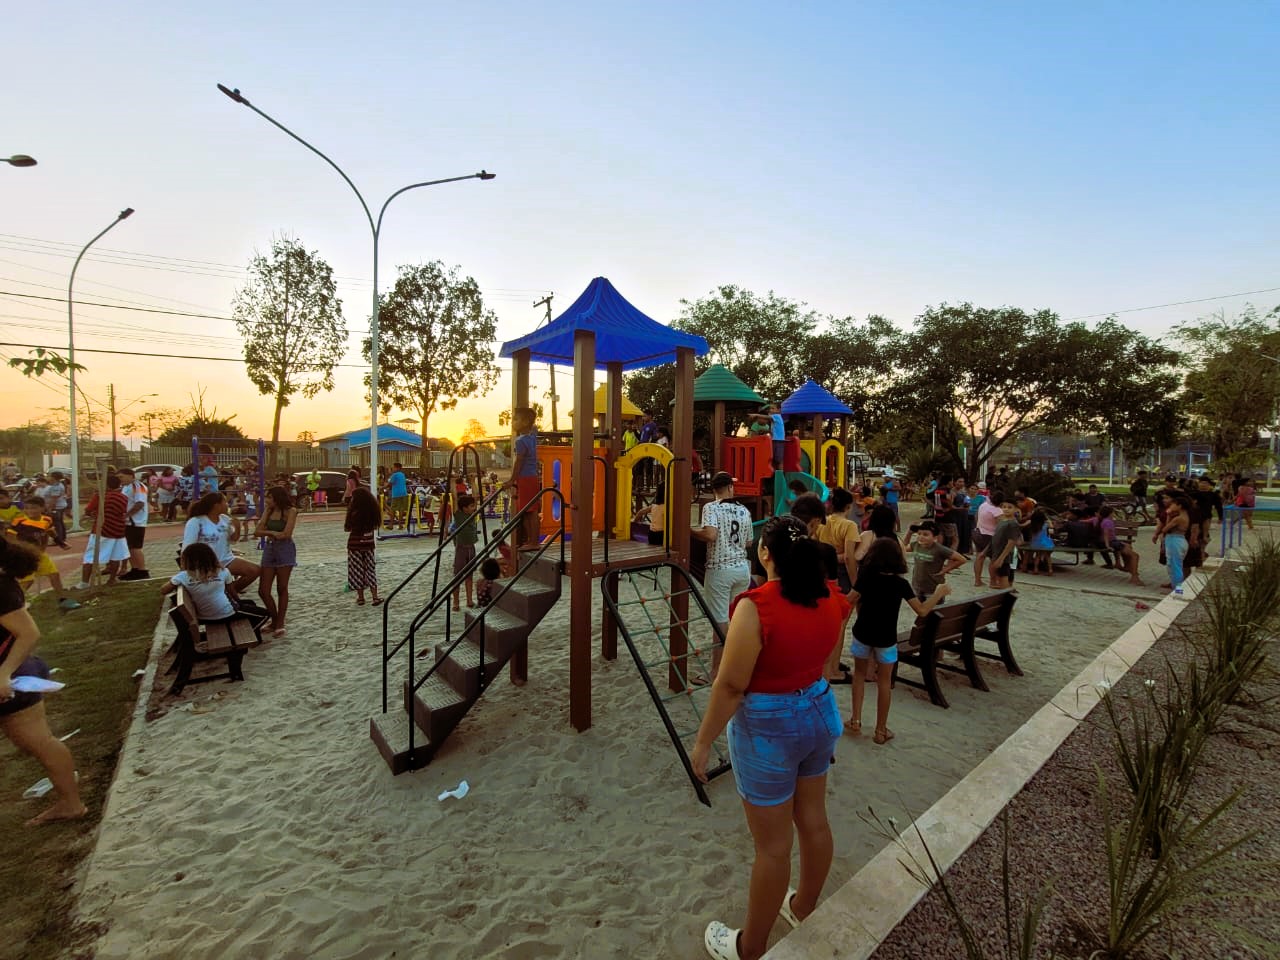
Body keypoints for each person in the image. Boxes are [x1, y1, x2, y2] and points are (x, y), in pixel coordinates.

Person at [690, 515, 848, 960]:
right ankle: (803, 905)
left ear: (764, 553)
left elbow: (730, 685)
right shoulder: (829, 595)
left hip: (770, 725)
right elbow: (830, 651)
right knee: (814, 820)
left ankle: (750, 946)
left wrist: (702, 743)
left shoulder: (757, 606)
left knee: (773, 848)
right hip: (818, 708)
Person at [0, 538, 87, 826]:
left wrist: (4, 674)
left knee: (40, 742)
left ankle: (71, 803)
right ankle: (68, 793)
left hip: (12, 676)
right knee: (34, 742)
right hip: (16, 671)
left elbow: (29, 633)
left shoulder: (1, 587)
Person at [847, 538, 951, 744]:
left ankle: (855, 720)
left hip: (863, 633)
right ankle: (880, 730)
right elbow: (921, 610)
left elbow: (850, 599)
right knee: (884, 682)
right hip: (886, 638)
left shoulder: (866, 576)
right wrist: (939, 593)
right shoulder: (900, 584)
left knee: (859, 675)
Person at [692, 472, 754, 678]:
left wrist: (690, 531)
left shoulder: (711, 507)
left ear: (714, 490)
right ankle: (738, 663)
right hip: (741, 569)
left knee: (719, 620)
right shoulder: (744, 510)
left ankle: (717, 670)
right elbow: (748, 542)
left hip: (720, 568)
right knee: (735, 618)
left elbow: (710, 535)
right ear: (730, 488)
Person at [161, 543, 268, 639]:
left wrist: (176, 580)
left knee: (250, 603)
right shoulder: (222, 571)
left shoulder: (183, 576)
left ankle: (254, 635)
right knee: (265, 614)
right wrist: (238, 604)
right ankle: (248, 636)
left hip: (203, 616)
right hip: (225, 614)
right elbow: (233, 594)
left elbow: (163, 590)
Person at [7, 496, 80, 610]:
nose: (30, 511)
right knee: (27, 581)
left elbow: (50, 532)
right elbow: (10, 538)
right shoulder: (19, 522)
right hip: (25, 556)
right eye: (27, 508)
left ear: (42, 508)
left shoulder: (47, 520)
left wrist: (60, 543)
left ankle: (63, 600)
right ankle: (11, 604)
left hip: (40, 554)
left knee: (54, 575)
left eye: (33, 508)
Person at [182, 491, 260, 592]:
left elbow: (233, 540)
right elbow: (188, 547)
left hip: (226, 559)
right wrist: (187, 567)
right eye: (225, 502)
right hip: (206, 563)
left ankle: (230, 592)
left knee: (255, 570)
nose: (227, 505)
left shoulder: (225, 519)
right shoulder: (196, 521)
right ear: (216, 505)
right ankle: (224, 593)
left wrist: (237, 527)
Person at [253, 486, 297, 638]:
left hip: (285, 549)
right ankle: (274, 618)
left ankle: (280, 622)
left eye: (269, 497)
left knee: (281, 587)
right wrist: (271, 532)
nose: (266, 500)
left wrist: (269, 532)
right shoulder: (269, 510)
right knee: (263, 590)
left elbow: (286, 534)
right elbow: (257, 531)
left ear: (277, 498)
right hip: (270, 548)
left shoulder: (291, 511)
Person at [77, 475, 131, 588]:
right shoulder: (123, 497)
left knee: (90, 557)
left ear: (106, 485)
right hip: (118, 530)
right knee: (115, 556)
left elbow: (88, 510)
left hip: (102, 529)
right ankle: (112, 579)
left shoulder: (100, 496)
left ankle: (84, 583)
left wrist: (93, 513)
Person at [903, 520, 966, 600]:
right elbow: (902, 547)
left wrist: (945, 570)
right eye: (919, 534)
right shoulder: (915, 545)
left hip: (933, 588)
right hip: (917, 586)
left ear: (935, 537)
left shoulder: (939, 549)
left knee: (934, 608)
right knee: (919, 607)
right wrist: (909, 533)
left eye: (925, 534)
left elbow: (961, 559)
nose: (921, 537)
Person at [506, 407, 540, 548]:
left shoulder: (520, 441)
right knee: (531, 510)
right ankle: (532, 540)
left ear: (525, 422)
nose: (512, 422)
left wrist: (511, 480)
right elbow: (535, 428)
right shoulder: (532, 437)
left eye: (515, 419)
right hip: (532, 477)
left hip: (525, 478)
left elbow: (518, 462)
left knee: (528, 511)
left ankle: (533, 541)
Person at [344, 487, 382, 605]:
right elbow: (375, 526)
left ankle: (361, 598)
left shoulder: (354, 512)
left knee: (356, 571)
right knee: (370, 569)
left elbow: (347, 528)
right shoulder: (372, 512)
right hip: (368, 544)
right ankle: (375, 597)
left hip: (354, 545)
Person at [116, 467, 151, 581]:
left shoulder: (138, 486)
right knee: (129, 547)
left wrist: (127, 515)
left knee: (135, 547)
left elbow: (140, 503)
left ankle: (142, 570)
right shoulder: (126, 487)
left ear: (130, 476)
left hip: (136, 522)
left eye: (121, 477)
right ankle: (135, 569)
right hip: (128, 522)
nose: (120, 479)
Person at [1153, 494, 1191, 594]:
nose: (1171, 506)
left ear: (1180, 506)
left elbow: (1165, 529)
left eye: (1173, 504)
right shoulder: (1183, 516)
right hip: (1176, 540)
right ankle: (1176, 588)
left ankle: (1178, 590)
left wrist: (1168, 515)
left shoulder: (1178, 518)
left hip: (1175, 541)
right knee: (1172, 565)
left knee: (1175, 566)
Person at [1098, 505, 1143, 586]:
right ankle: (1134, 576)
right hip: (1111, 542)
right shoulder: (1107, 522)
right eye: (1113, 513)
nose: (1113, 514)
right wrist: (1107, 545)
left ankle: (1125, 566)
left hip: (1112, 541)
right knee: (1135, 556)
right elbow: (1106, 534)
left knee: (1128, 546)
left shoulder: (1105, 520)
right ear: (1110, 513)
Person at [450, 494, 481, 611]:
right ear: (464, 508)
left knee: (469, 575)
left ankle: (469, 600)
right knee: (457, 576)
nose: (474, 507)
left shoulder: (472, 515)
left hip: (471, 548)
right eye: (471, 506)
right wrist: (452, 484)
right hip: (461, 548)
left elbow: (476, 497)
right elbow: (454, 499)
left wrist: (473, 483)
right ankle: (456, 601)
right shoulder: (459, 516)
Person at [988, 499, 1023, 589]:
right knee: (1000, 579)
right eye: (1004, 507)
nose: (1006, 509)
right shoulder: (1002, 520)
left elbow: (1011, 542)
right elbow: (996, 538)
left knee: (1004, 580)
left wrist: (1001, 559)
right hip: (997, 553)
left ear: (1015, 509)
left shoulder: (1013, 524)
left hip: (1005, 556)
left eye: (1009, 507)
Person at [1022, 509, 1056, 576]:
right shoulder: (1045, 524)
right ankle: (1050, 570)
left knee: (1037, 555)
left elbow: (1022, 525)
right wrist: (1049, 521)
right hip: (1046, 543)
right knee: (1048, 556)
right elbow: (1052, 527)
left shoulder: (1031, 523)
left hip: (1035, 543)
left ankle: (1036, 569)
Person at [634, 478, 667, 546]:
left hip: (652, 534)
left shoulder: (653, 506)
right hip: (661, 535)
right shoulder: (666, 507)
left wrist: (635, 522)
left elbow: (640, 512)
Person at [44, 471, 69, 547]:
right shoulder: (57, 484)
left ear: (53, 477)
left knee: (56, 524)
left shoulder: (56, 486)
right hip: (60, 506)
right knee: (60, 522)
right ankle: (62, 538)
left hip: (57, 507)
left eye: (49, 476)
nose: (48, 477)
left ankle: (58, 539)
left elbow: (54, 499)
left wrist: (50, 508)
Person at [385, 462, 409, 530]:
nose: (392, 469)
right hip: (404, 494)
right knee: (401, 509)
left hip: (396, 494)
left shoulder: (394, 475)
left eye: (393, 467)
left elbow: (389, 484)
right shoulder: (402, 474)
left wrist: (382, 487)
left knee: (393, 510)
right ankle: (400, 524)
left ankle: (391, 525)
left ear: (397, 468)